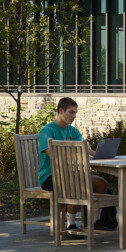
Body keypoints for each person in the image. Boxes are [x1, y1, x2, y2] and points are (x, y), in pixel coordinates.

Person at [37, 96, 117, 239]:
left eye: (75, 113)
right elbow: (54, 156)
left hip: (73, 174)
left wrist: (100, 154)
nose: (73, 116)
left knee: (101, 183)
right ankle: (71, 225)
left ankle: (95, 222)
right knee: (78, 184)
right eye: (71, 112)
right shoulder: (47, 131)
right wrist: (79, 157)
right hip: (51, 176)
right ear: (61, 111)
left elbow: (84, 148)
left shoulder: (72, 131)